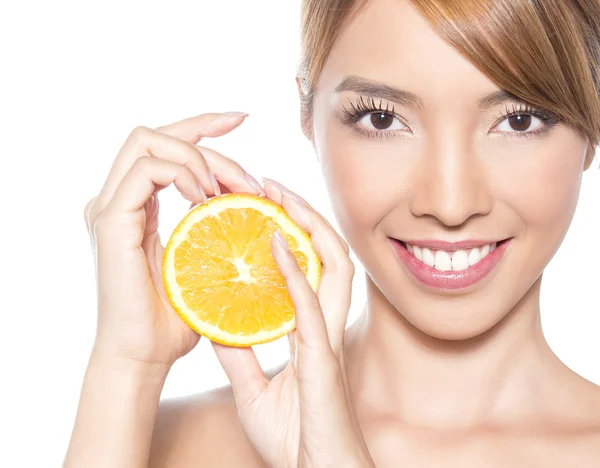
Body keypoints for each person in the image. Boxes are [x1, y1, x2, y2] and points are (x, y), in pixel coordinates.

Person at [64, 0, 600, 466]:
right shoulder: (171, 447)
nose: (451, 203)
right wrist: (125, 370)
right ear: (307, 116)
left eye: (520, 121)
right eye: (383, 120)